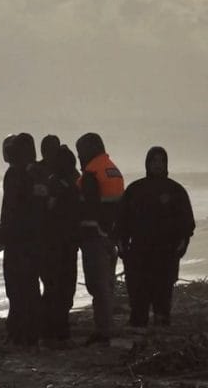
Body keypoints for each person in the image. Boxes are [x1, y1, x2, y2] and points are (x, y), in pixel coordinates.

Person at [116, 147, 195, 327]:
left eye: (161, 161)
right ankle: (138, 328)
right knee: (138, 296)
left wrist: (181, 244)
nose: (158, 165)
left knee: (163, 294)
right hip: (139, 252)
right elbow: (122, 221)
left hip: (165, 253)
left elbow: (186, 223)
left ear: (166, 164)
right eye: (154, 161)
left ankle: (162, 327)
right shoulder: (135, 189)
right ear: (148, 163)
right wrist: (122, 246)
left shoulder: (176, 190)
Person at [75, 132, 124, 346]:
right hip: (110, 236)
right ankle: (106, 326)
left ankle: (103, 330)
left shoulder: (91, 176)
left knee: (97, 286)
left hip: (94, 237)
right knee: (107, 285)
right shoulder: (113, 170)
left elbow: (88, 208)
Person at [0, 133, 41, 347]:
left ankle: (17, 333)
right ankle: (29, 333)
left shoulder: (14, 174)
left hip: (17, 240)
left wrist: (2, 236)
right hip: (34, 239)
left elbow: (10, 209)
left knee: (16, 287)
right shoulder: (36, 172)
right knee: (29, 286)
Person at [39, 144, 80, 346]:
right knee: (59, 289)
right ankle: (55, 333)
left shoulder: (62, 183)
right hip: (58, 244)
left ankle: (55, 332)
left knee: (59, 289)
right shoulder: (59, 184)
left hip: (62, 244)